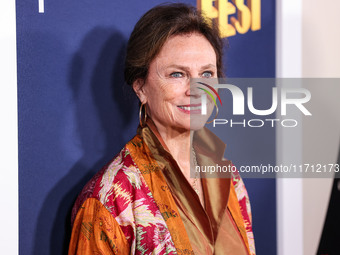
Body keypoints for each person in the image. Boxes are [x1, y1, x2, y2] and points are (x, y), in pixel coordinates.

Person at [68, 3, 255, 255]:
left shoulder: (228, 175)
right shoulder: (111, 197)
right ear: (141, 88)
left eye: (207, 73)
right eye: (177, 74)